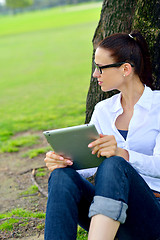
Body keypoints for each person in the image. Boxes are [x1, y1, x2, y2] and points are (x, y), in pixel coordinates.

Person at [44, 30, 160, 240]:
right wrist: (64, 162)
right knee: (61, 177)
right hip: (108, 211)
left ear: (125, 69)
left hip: (152, 214)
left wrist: (122, 154)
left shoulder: (158, 106)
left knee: (115, 163)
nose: (95, 74)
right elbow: (88, 165)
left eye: (100, 68)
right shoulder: (103, 110)